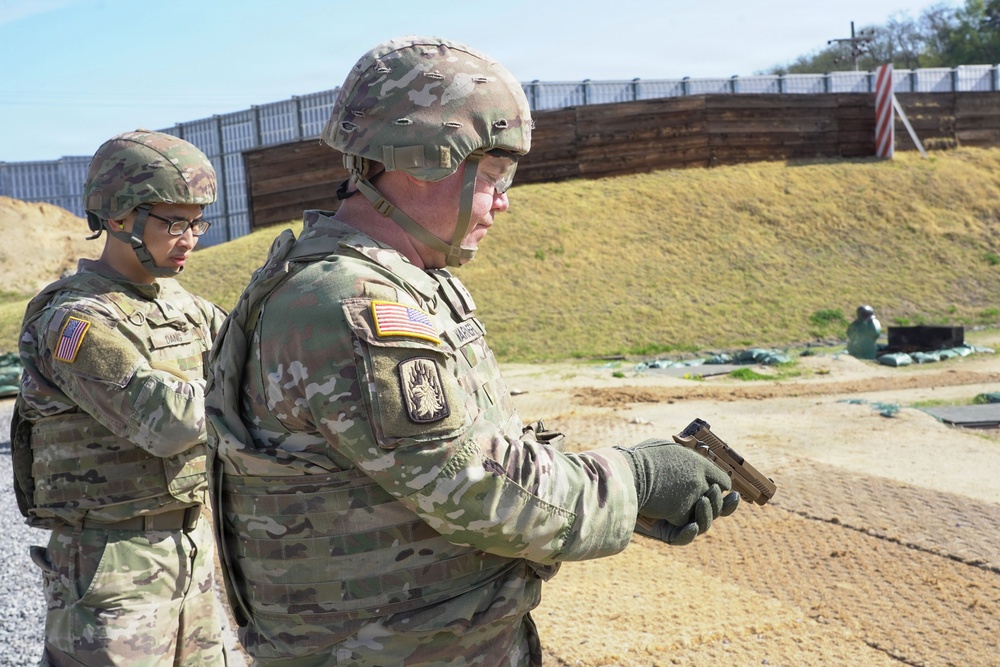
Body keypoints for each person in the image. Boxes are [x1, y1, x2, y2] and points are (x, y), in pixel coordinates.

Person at [206, 36, 739, 666]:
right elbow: (477, 489)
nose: (504, 201)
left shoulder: (397, 283)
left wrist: (621, 504)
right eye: (491, 175)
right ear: (422, 160)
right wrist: (637, 479)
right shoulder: (350, 307)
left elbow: (448, 463)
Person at [10, 130, 229, 665]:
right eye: (173, 222)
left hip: (196, 550)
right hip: (111, 564)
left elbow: (262, 376)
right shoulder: (75, 319)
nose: (189, 238)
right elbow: (168, 420)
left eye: (197, 222)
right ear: (117, 218)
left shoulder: (189, 309)